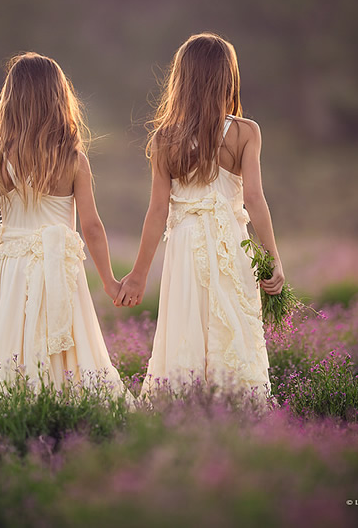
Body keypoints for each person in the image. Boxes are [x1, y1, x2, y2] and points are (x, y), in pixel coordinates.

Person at [0, 52, 128, 428]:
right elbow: (92, 226)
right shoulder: (73, 158)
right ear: (58, 98)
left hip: (15, 270)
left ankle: (12, 419)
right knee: (71, 344)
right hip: (61, 268)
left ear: (11, 100)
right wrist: (110, 281)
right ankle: (75, 419)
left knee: (14, 341)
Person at [115, 33, 284, 397]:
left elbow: (157, 211)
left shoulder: (166, 138)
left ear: (182, 80)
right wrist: (272, 258)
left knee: (186, 324)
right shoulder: (245, 132)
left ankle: (181, 403)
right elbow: (254, 199)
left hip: (186, 243)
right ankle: (235, 404)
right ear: (227, 78)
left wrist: (139, 275)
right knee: (232, 324)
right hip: (230, 243)